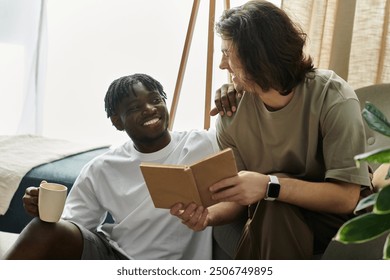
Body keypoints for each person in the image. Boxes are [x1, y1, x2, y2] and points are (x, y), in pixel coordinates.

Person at [171, 0, 372, 260]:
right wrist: (207, 216)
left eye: (227, 53)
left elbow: (346, 198)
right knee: (274, 210)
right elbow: (238, 197)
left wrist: (270, 185)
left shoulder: (331, 96)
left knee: (271, 204)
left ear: (257, 55)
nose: (222, 64)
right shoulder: (231, 115)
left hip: (333, 218)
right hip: (272, 217)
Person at [4, 73, 219, 260]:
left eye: (155, 100)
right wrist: (45, 211)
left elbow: (244, 127)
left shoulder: (201, 144)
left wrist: (232, 92)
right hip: (114, 257)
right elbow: (72, 225)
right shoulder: (102, 168)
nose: (149, 109)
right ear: (117, 122)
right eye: (135, 107)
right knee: (42, 229)